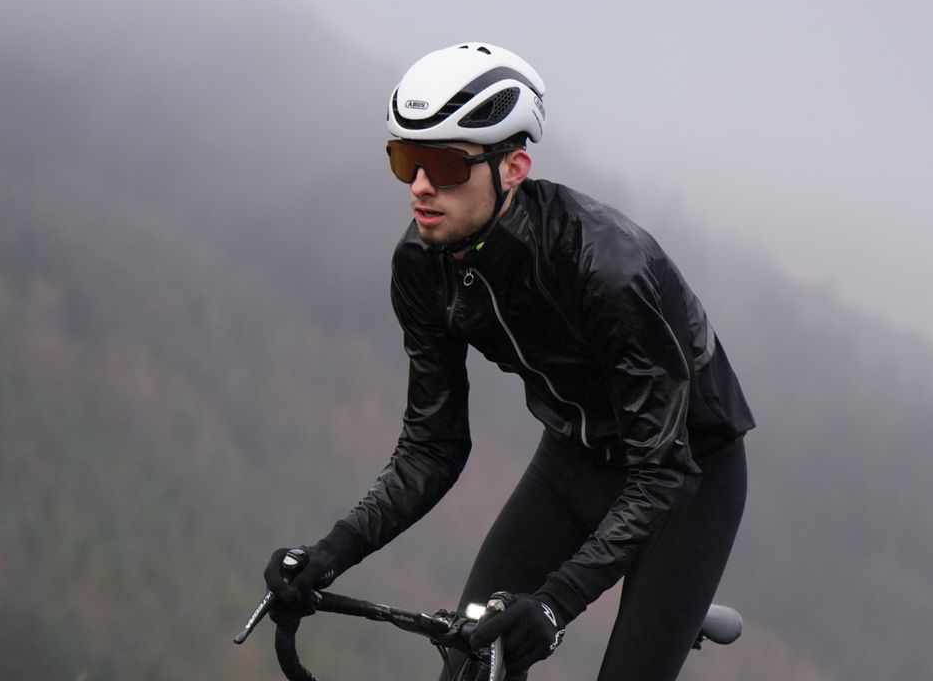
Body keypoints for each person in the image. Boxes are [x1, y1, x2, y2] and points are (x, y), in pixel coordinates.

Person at [264, 42, 755, 681]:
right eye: (405, 159)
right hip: (574, 457)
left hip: (686, 472)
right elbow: (432, 446)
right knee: (470, 662)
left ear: (514, 167)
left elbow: (662, 471)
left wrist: (552, 607)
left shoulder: (608, 267)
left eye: (443, 165)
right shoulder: (421, 264)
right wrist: (329, 553)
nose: (419, 187)